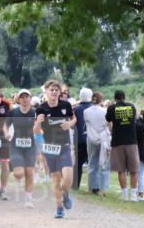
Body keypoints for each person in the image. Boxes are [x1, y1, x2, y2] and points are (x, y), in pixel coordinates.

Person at [34, 79, 77, 218]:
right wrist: (39, 123)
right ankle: (59, 208)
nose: (54, 92)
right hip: (50, 148)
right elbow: (36, 130)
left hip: (64, 146)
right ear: (46, 91)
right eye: (51, 90)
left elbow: (74, 118)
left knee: (68, 178)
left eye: (56, 90)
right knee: (56, 179)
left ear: (60, 92)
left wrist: (70, 123)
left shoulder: (66, 105)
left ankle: (65, 193)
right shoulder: (41, 108)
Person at [106, 89, 139, 201]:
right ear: (124, 97)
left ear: (115, 98)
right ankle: (134, 195)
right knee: (134, 170)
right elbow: (134, 118)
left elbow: (108, 120)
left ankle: (125, 195)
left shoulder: (111, 108)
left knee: (121, 170)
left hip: (117, 142)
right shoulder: (132, 106)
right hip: (132, 142)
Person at [9, 89, 38, 208]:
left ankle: (28, 199)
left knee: (30, 172)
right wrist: (6, 133)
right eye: (22, 97)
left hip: (30, 146)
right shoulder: (14, 112)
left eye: (27, 97)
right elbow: (5, 125)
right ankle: (17, 175)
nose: (25, 99)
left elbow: (41, 127)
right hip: (16, 145)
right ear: (19, 99)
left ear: (30, 99)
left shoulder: (35, 113)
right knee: (19, 173)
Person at [84, 92, 110, 194]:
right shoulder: (105, 111)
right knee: (104, 163)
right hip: (103, 137)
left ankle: (91, 188)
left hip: (91, 137)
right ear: (101, 100)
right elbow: (107, 124)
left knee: (91, 163)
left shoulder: (86, 111)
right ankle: (102, 189)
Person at [72, 88, 94, 189]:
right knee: (94, 163)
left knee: (78, 164)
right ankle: (94, 187)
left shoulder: (76, 109)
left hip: (80, 139)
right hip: (93, 139)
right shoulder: (95, 107)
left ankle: (75, 185)